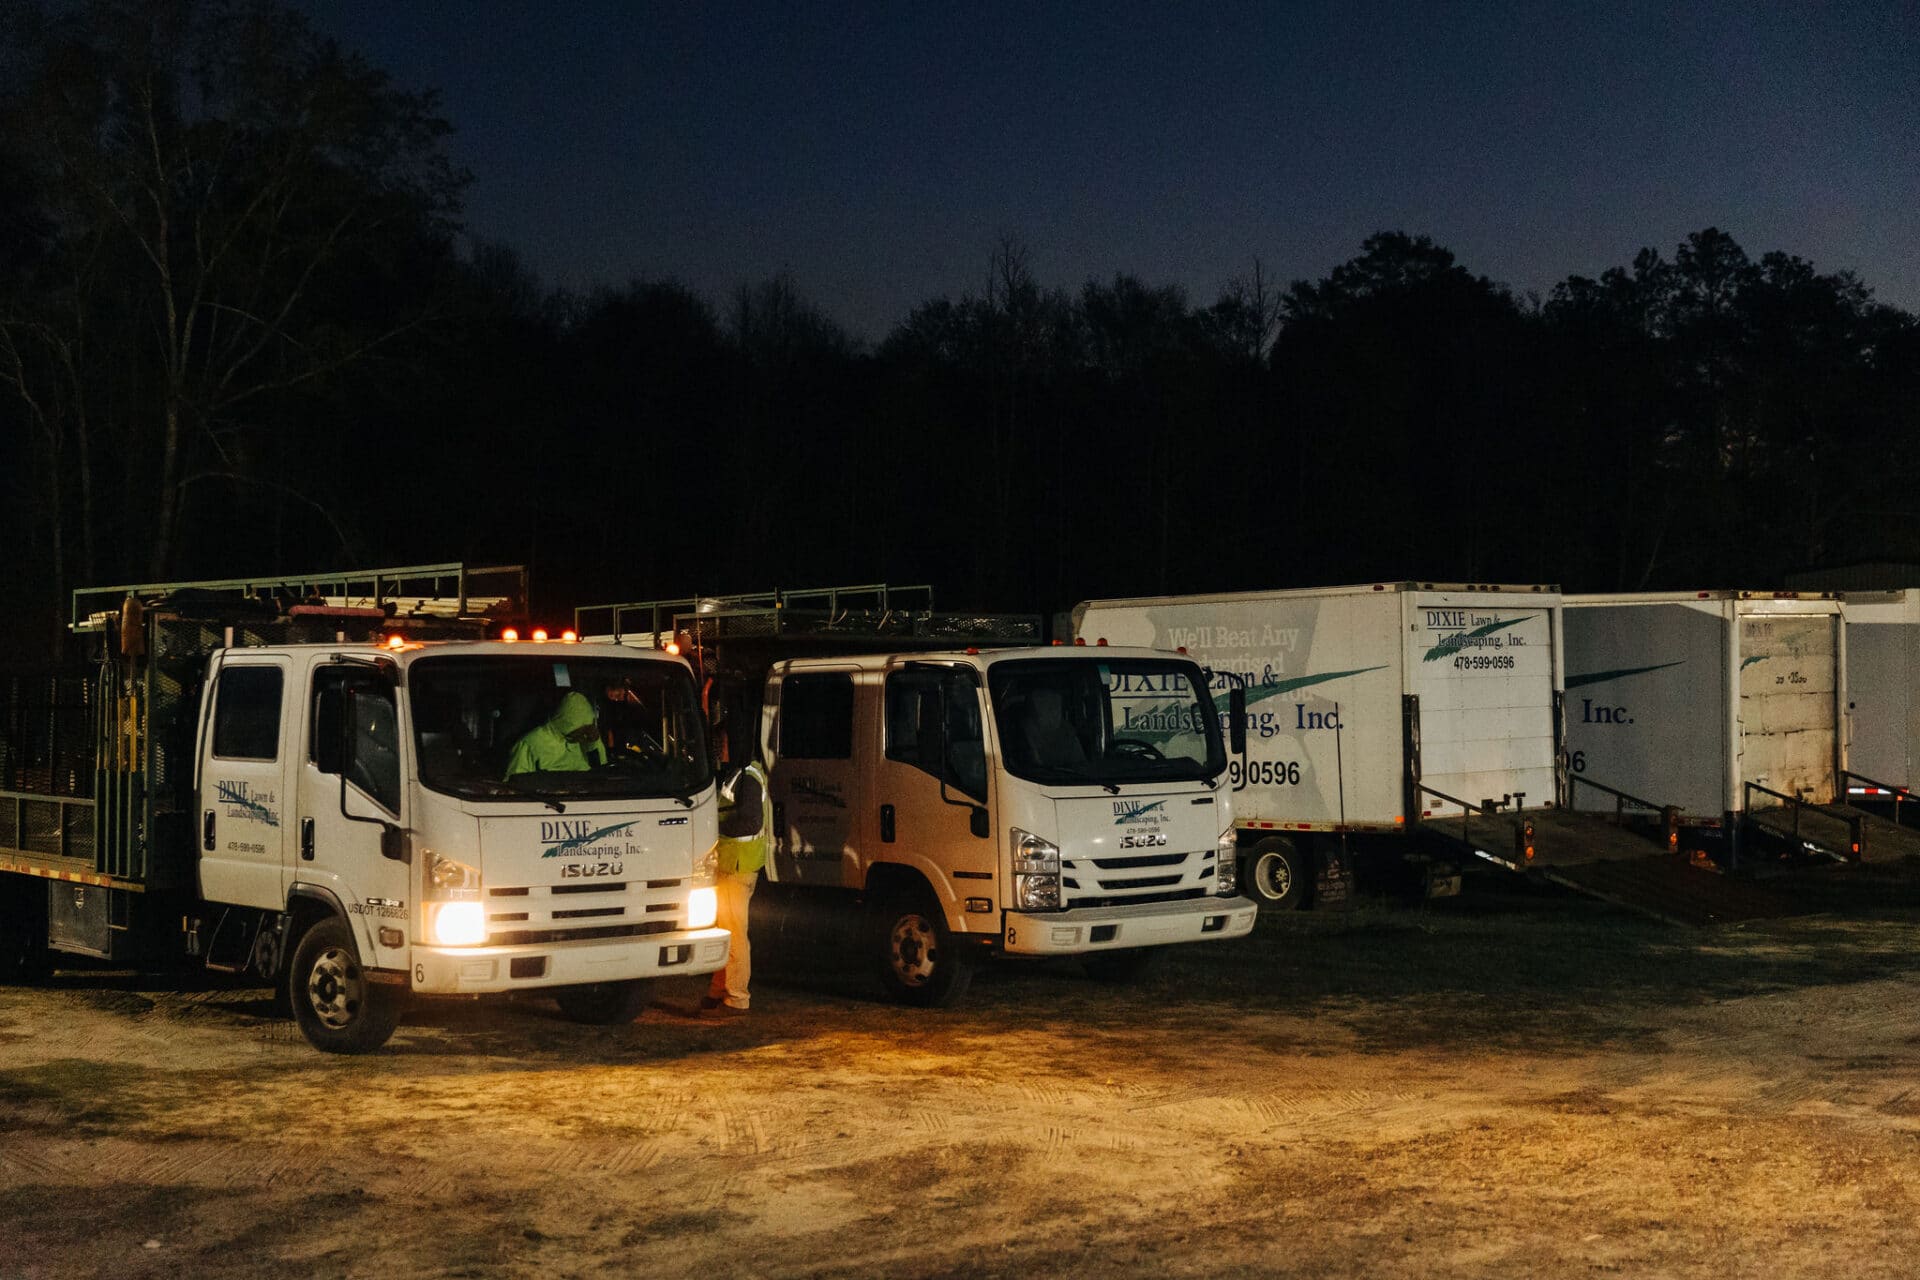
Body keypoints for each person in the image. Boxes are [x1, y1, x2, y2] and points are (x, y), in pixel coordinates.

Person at [703, 716, 770, 1017]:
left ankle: (737, 997)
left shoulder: (748, 775)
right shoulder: (739, 772)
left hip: (738, 865)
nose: (719, 748)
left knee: (734, 933)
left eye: (723, 742)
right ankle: (720, 989)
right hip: (733, 864)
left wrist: (713, 827)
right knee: (725, 930)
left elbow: (750, 819)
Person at [503, 690, 607, 779]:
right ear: (568, 723)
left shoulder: (586, 739)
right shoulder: (530, 744)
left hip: (587, 799)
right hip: (546, 800)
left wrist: (593, 743)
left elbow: (602, 773)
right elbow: (515, 786)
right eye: (582, 728)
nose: (585, 733)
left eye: (589, 727)